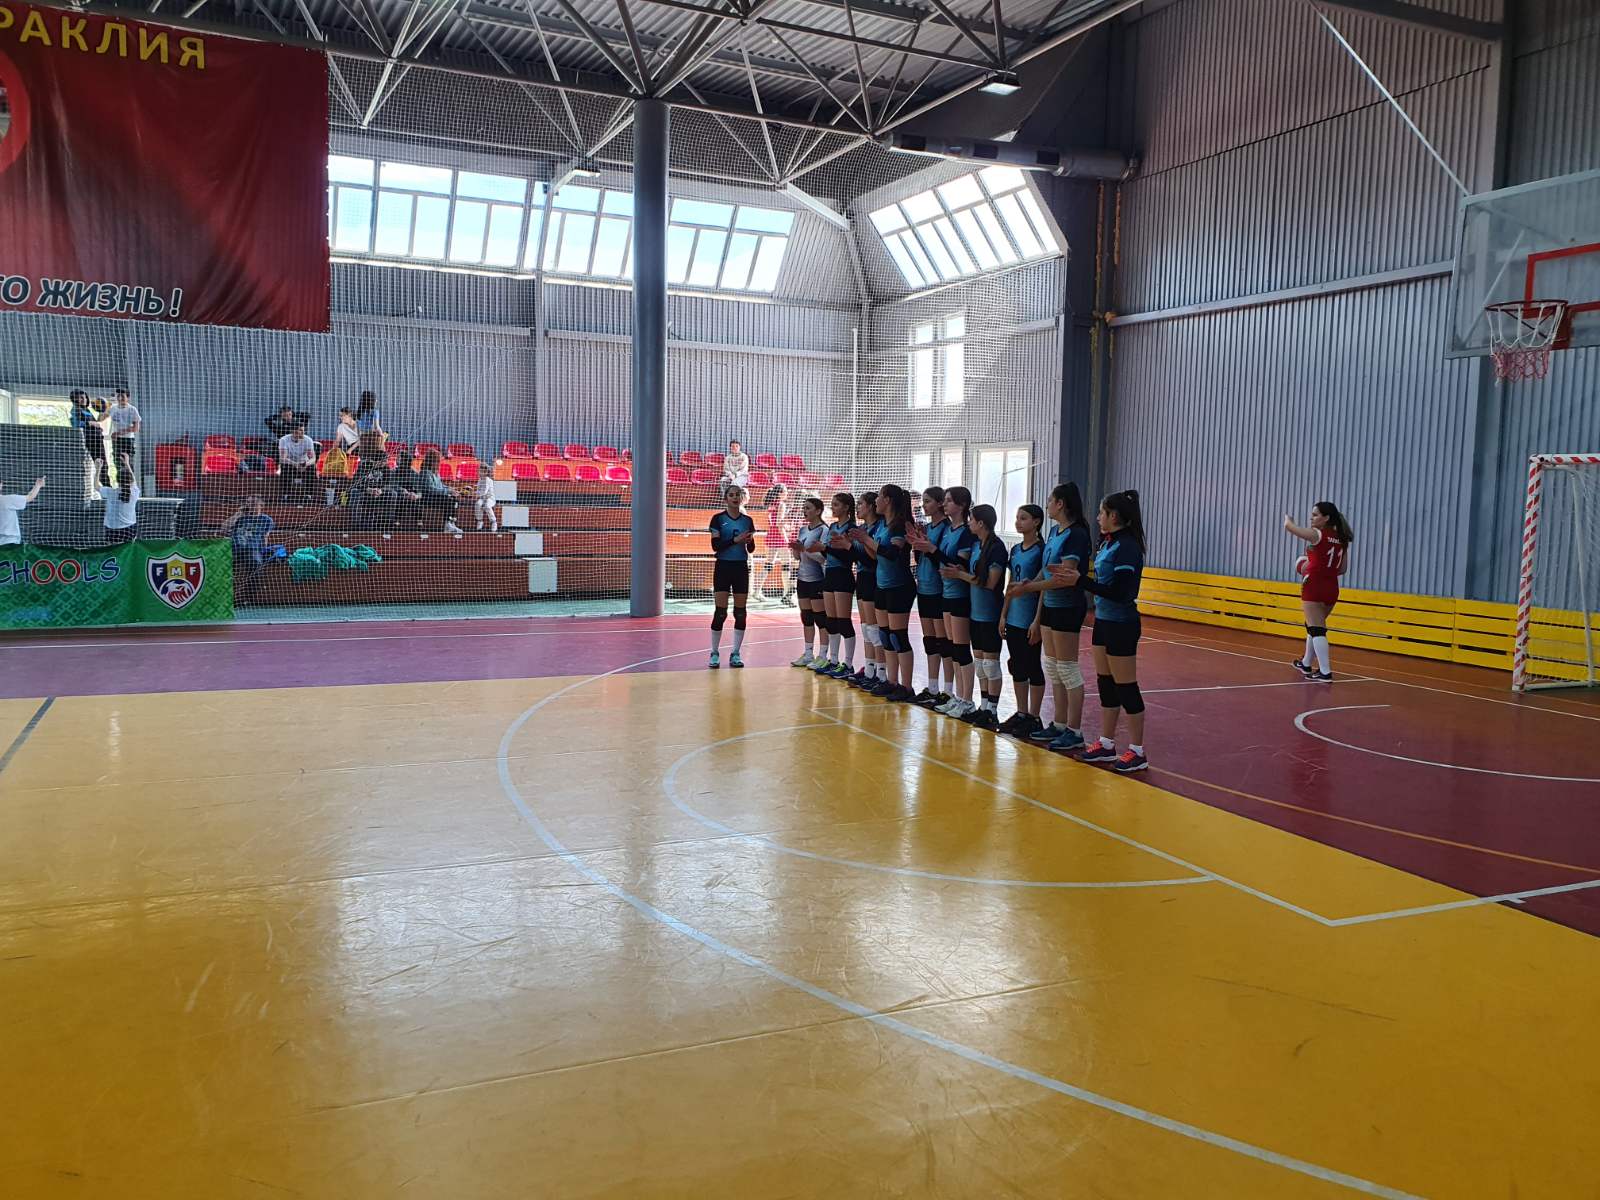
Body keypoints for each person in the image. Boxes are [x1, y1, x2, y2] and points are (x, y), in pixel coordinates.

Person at [1053, 490, 1148, 773]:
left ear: (1114, 516)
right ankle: (1106, 743)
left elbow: (1121, 592)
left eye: (1102, 513)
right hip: (1103, 622)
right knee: (1106, 684)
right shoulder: (1109, 543)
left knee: (1126, 687)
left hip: (1121, 624)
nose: (1097, 518)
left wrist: (1080, 581)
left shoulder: (1127, 547)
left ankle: (1137, 750)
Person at [1020, 483, 1093, 753]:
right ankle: (1059, 724)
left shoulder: (1076, 535)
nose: (1047, 504)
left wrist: (1029, 588)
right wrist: (1030, 582)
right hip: (1050, 605)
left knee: (1068, 668)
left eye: (1051, 500)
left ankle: (1075, 731)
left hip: (1067, 606)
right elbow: (1047, 570)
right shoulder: (1053, 532)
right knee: (1053, 666)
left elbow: (1063, 578)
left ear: (1060, 503)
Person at [854, 485, 916, 699]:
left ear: (888, 500)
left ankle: (906, 687)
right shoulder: (882, 525)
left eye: (879, 497)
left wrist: (866, 540)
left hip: (899, 586)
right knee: (885, 635)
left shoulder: (899, 526)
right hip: (881, 585)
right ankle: (891, 680)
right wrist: (861, 541)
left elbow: (891, 553)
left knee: (899, 637)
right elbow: (875, 556)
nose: (876, 501)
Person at [952, 504, 1010, 729]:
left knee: (991, 663)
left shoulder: (997, 548)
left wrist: (961, 575)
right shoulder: (977, 545)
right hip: (975, 612)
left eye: (972, 519)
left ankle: (992, 710)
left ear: (981, 523)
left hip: (990, 613)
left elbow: (990, 583)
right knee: (980, 664)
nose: (969, 523)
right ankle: (984, 706)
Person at [1285, 501, 1354, 683]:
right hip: (1331, 587)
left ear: (1326, 518)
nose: (1311, 518)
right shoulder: (1342, 539)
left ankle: (1325, 672)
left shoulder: (1318, 534)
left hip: (1314, 585)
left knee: (1317, 629)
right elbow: (1342, 569)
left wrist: (1288, 519)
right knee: (1313, 625)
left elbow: (1290, 527)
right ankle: (1306, 663)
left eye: (1315, 515)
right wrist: (1316, 564)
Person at [924, 486, 978, 718]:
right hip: (946, 594)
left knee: (962, 649)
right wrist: (926, 549)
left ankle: (967, 700)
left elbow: (958, 564)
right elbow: (941, 561)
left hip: (960, 595)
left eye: (948, 501)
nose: (944, 504)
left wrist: (932, 549)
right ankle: (957, 697)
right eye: (944, 500)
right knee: (953, 648)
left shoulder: (965, 532)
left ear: (962, 505)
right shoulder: (949, 530)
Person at [998, 505, 1047, 738]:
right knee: (1016, 664)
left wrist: (1038, 620)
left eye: (1024, 518)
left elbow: (1043, 588)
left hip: (1030, 617)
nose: (1018, 522)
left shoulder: (1041, 550)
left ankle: (1035, 717)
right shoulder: (1016, 549)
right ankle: (1021, 712)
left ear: (1036, 522)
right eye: (1017, 517)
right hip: (1014, 616)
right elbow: (1011, 584)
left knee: (1032, 665)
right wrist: (1003, 614)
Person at [909, 487, 951, 708]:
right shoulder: (927, 527)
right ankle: (932, 687)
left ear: (939, 503)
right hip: (924, 587)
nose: (923, 505)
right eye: (923, 501)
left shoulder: (946, 528)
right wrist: (918, 543)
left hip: (939, 589)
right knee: (930, 641)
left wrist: (928, 547)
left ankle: (948, 691)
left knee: (944, 642)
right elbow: (921, 558)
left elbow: (944, 560)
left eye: (927, 501)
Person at [707, 484, 755, 669]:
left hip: (740, 567)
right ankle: (714, 652)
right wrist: (735, 540)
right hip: (723, 567)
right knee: (720, 612)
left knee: (740, 613)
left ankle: (736, 653)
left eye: (738, 495)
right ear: (726, 498)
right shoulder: (718, 519)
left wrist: (749, 541)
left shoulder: (747, 520)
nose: (735, 497)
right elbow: (716, 546)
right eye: (732, 495)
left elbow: (751, 549)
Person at [818, 492, 858, 679]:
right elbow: (829, 553)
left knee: (843, 621)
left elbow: (850, 556)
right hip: (830, 574)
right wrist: (822, 550)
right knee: (831, 621)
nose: (833, 508)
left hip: (843, 575)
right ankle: (833, 660)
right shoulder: (833, 526)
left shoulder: (851, 528)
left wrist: (826, 548)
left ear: (846, 507)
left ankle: (848, 664)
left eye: (836, 504)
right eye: (832, 504)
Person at [846, 490, 882, 688]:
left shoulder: (878, 527)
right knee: (866, 628)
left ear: (870, 506)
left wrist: (854, 545)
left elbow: (873, 558)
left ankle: (879, 672)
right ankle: (869, 669)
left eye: (860, 503)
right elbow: (857, 556)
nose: (857, 507)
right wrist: (846, 546)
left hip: (874, 577)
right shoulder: (862, 528)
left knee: (874, 630)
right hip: (861, 577)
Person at [790, 496, 831, 669]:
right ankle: (808, 654)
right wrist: (796, 550)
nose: (804, 511)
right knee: (806, 617)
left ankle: (823, 655)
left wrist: (804, 549)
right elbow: (798, 557)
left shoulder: (824, 530)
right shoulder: (802, 530)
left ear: (818, 511)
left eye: (808, 508)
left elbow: (823, 558)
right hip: (802, 578)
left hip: (818, 579)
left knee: (820, 618)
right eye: (804, 508)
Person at [220, 496, 275, 602]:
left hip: (252, 549)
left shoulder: (266, 519)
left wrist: (262, 551)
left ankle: (249, 598)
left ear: (261, 505)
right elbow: (223, 528)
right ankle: (224, 596)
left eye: (253, 503)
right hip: (235, 548)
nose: (250, 505)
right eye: (248, 503)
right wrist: (238, 514)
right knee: (223, 564)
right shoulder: (240, 517)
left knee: (256, 564)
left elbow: (265, 537)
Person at [755, 483, 794, 605]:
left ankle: (756, 591)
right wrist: (786, 539)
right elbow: (778, 523)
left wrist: (785, 527)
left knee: (768, 565)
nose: (787, 493)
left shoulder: (771, 504)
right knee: (786, 565)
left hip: (770, 535)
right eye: (785, 491)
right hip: (779, 537)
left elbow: (775, 522)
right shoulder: (781, 504)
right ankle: (787, 594)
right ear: (780, 493)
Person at [414, 450, 465, 534]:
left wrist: (451, 489)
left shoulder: (436, 473)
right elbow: (431, 489)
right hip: (427, 497)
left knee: (454, 498)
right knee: (448, 499)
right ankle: (447, 525)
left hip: (436, 496)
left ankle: (451, 522)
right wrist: (447, 491)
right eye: (438, 461)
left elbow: (440, 486)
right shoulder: (425, 472)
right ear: (433, 461)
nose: (439, 462)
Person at [71, 390, 109, 486]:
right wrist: (90, 423)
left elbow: (95, 423)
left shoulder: (86, 410)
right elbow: (75, 424)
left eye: (84, 397)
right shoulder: (76, 410)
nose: (83, 399)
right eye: (80, 398)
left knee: (103, 464)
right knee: (101, 464)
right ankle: (107, 487)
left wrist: (102, 414)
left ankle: (107, 486)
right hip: (92, 441)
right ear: (75, 399)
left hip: (97, 439)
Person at [277, 424, 320, 504]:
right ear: (293, 431)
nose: (302, 433)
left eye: (303, 431)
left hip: (303, 463)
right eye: (300, 431)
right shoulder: (284, 440)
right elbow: (283, 458)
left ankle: (308, 495)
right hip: (290, 463)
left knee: (312, 468)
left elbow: (313, 458)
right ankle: (286, 495)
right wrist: (295, 464)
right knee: (285, 467)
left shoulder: (308, 440)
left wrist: (306, 464)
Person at [0, 477, 45, 547]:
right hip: (9, 541)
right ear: (1, 485)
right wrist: (38, 485)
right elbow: (30, 497)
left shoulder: (7, 499)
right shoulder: (8, 499)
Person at [108, 388, 140, 476]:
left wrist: (119, 433)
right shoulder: (112, 408)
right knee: (117, 462)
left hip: (128, 440)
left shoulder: (132, 409)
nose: (120, 398)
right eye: (118, 396)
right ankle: (120, 482)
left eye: (122, 396)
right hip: (116, 440)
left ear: (128, 397)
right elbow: (102, 419)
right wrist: (103, 409)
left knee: (128, 463)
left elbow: (136, 428)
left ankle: (130, 481)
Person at [100, 478, 140, 544]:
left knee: (113, 549)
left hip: (113, 529)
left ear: (117, 481)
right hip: (130, 529)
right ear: (131, 480)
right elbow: (133, 482)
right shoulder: (135, 492)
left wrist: (98, 472)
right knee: (130, 548)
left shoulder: (110, 492)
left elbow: (96, 486)